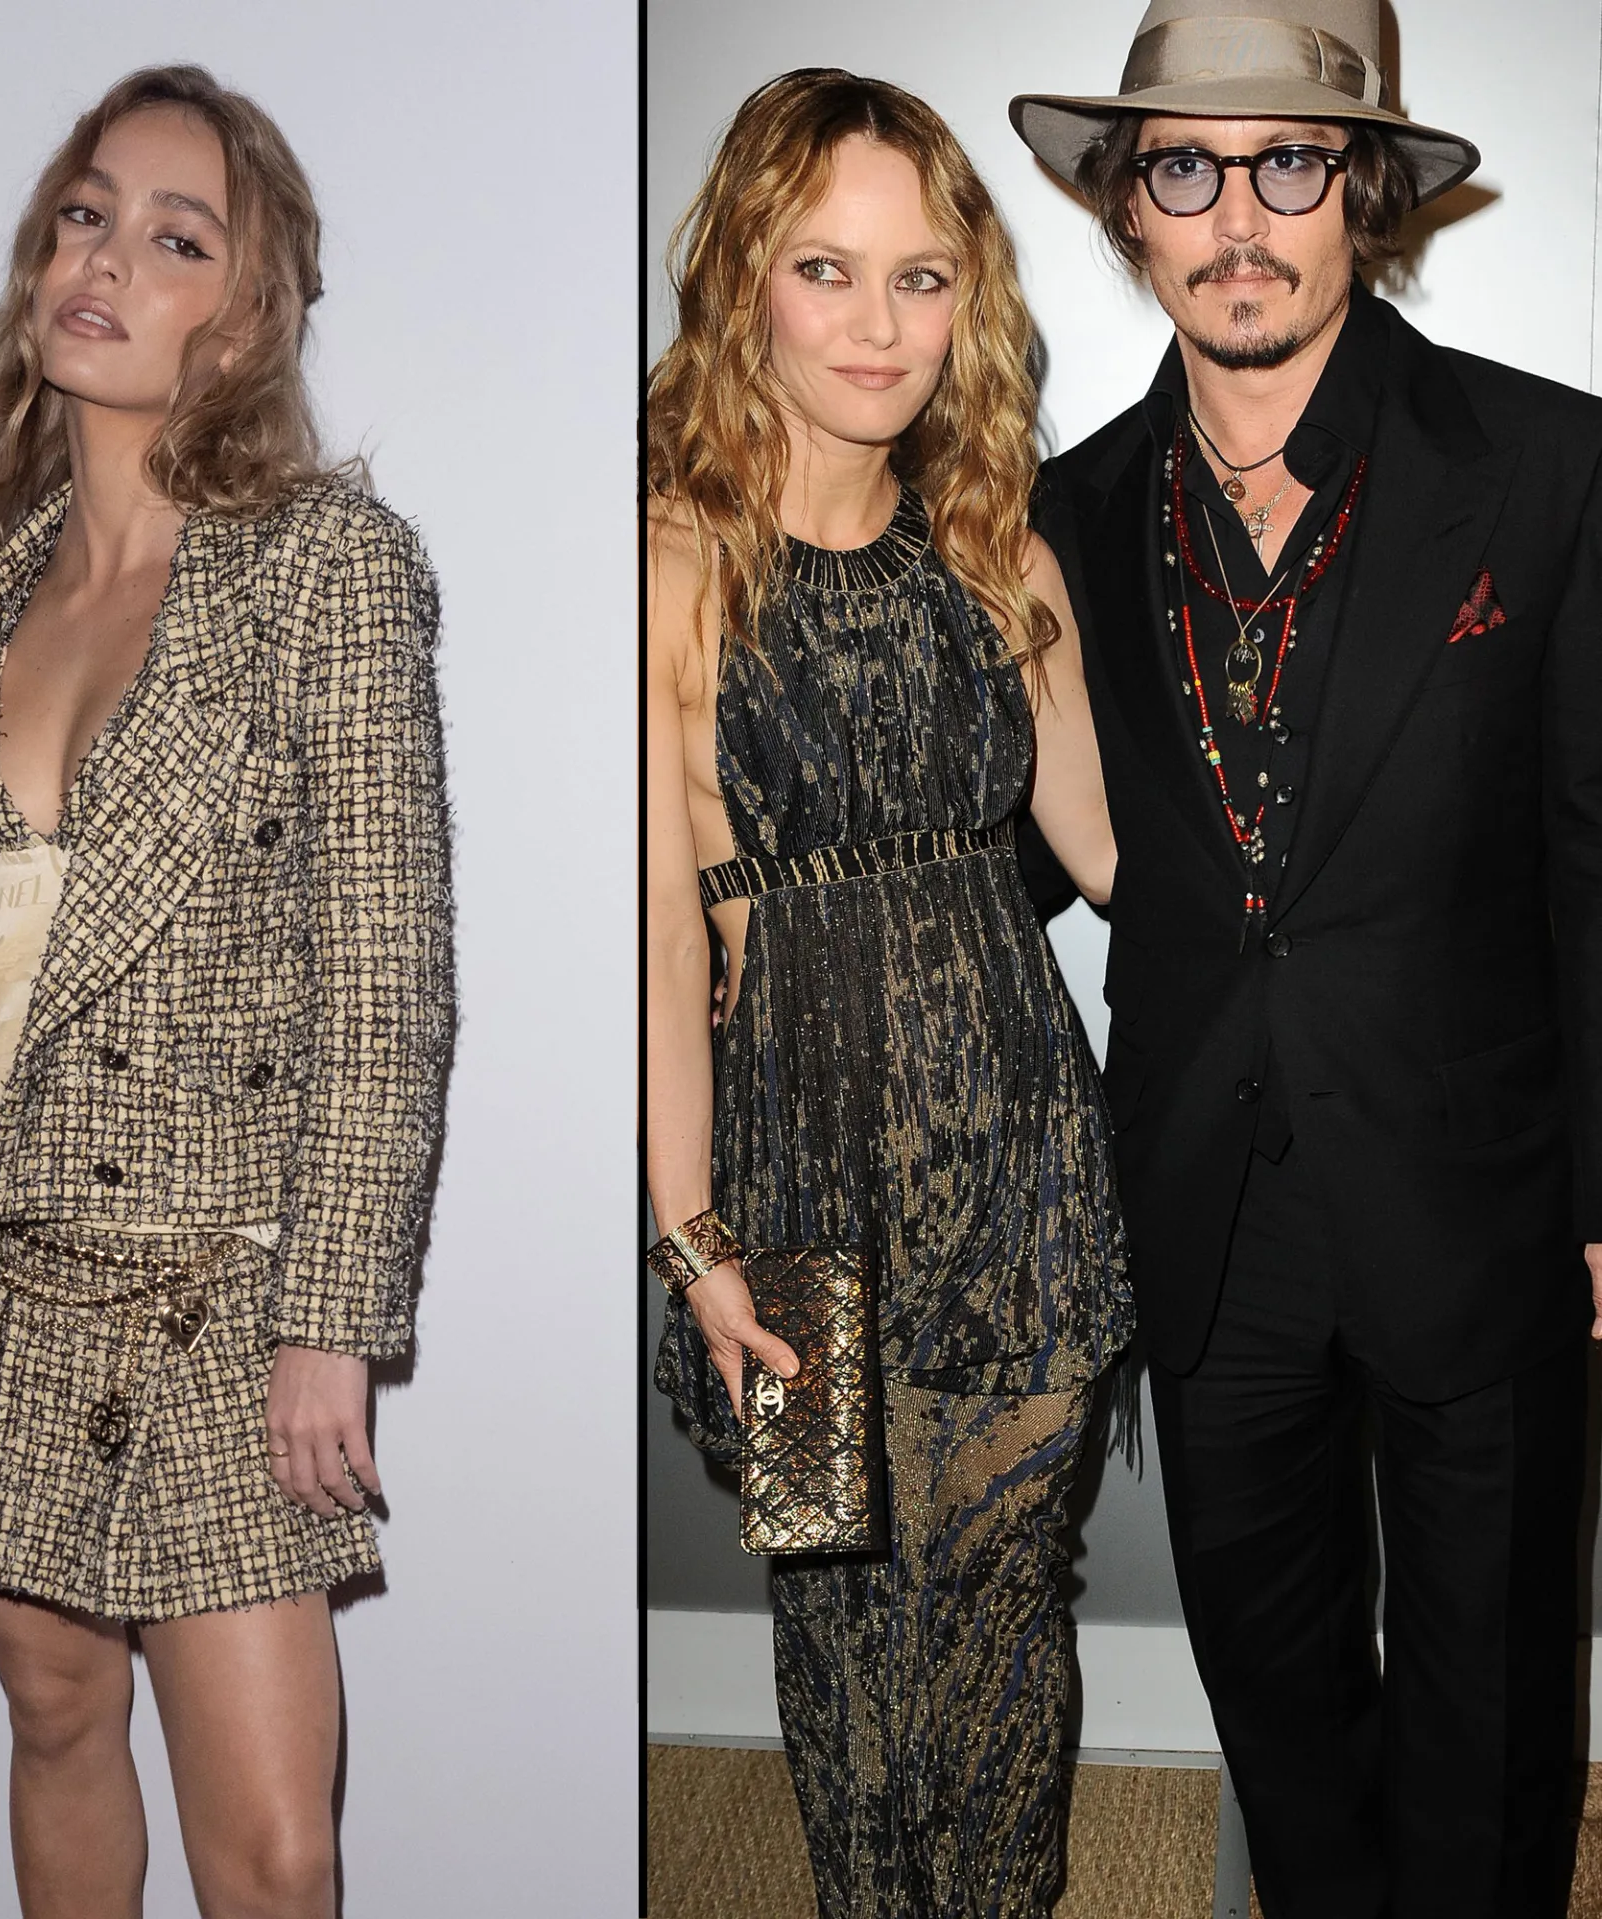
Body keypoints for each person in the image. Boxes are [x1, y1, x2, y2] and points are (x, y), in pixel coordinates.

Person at [0, 65, 452, 1919]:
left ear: (242, 315)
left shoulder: (324, 570)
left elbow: (385, 980)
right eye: (85, 215)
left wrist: (332, 1321)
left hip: (211, 1304)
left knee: (275, 1853)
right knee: (53, 1709)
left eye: (175, 238)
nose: (104, 259)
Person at [1010, 4, 1602, 1912]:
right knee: (1277, 1708)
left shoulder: (1549, 465)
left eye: (1289, 161)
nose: (1238, 216)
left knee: (1488, 1713)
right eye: (1184, 167)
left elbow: (1596, 858)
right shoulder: (1058, 516)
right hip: (1204, 1200)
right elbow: (1025, 847)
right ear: (1126, 207)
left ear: (1362, 196)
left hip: (1481, 1189)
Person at [646, 69, 1131, 1916]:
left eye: (920, 277)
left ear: (965, 302)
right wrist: (693, 1239)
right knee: (840, 1623)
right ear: (743, 282)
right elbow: (657, 936)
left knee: (1002, 1606)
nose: (876, 325)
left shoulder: (1001, 552)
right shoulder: (667, 569)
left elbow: (1116, 862)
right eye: (824, 269)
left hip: (1020, 1164)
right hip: (790, 1195)